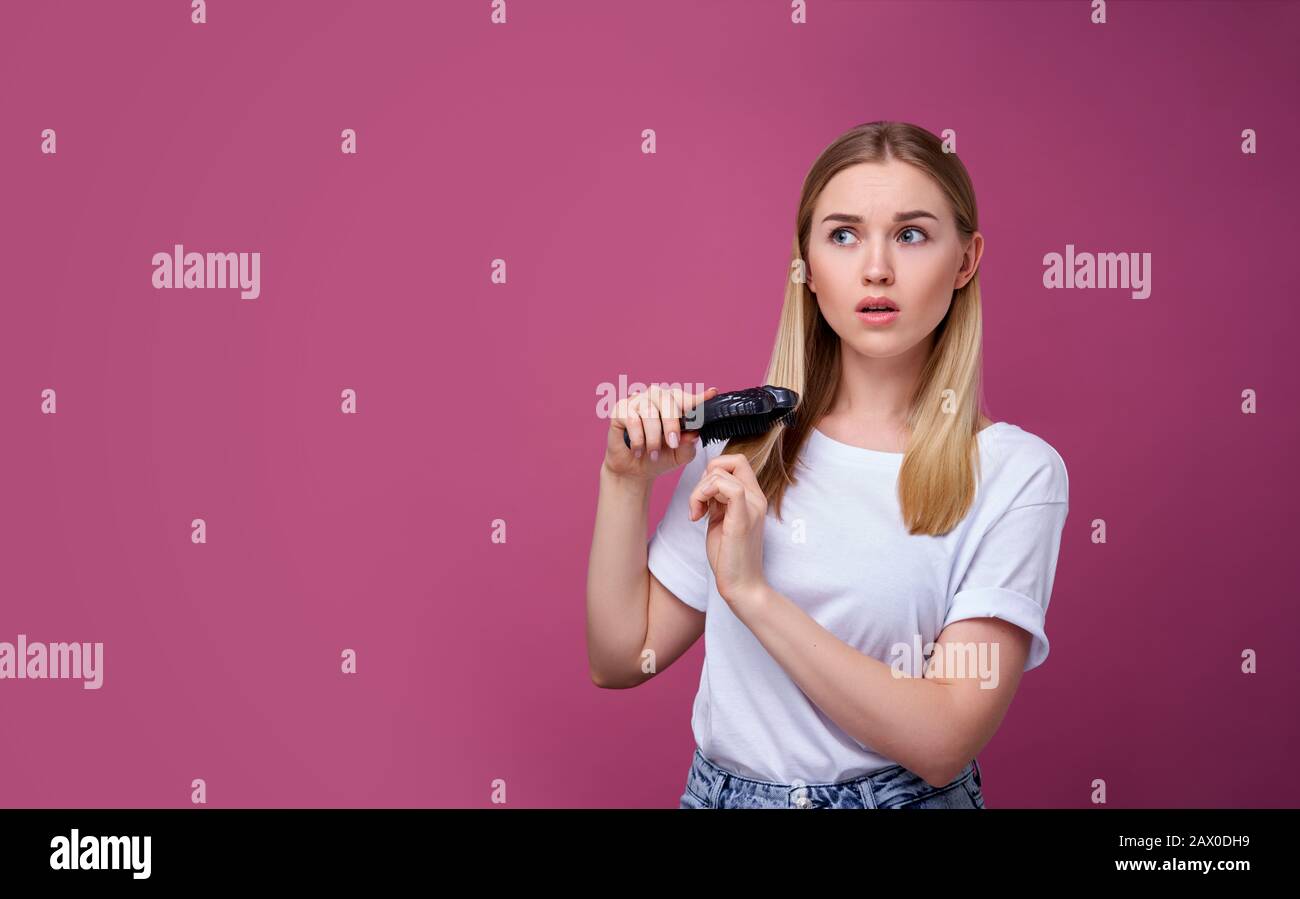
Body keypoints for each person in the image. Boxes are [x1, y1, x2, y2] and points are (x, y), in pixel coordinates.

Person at [585, 121, 1068, 809]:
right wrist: (623, 482)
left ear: (965, 260)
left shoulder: (1015, 473)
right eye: (843, 234)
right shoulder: (745, 446)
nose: (876, 268)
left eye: (911, 234)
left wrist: (753, 595)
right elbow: (619, 658)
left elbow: (943, 742)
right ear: (806, 267)